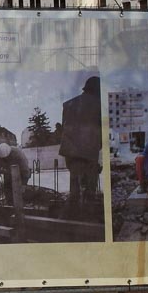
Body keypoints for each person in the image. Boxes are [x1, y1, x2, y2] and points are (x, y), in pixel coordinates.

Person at [59, 76, 102, 205]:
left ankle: (73, 210)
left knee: (75, 186)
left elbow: (64, 127)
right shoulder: (99, 104)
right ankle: (88, 210)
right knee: (90, 189)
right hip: (89, 150)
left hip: (70, 150)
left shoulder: (68, 104)